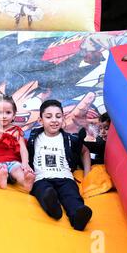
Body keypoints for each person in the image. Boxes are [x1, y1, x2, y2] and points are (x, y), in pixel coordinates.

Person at [27, 99, 93, 231]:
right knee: (44, 192)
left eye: (58, 116)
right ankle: (53, 208)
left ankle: (78, 216)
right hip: (42, 178)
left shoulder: (69, 138)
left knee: (71, 196)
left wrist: (87, 174)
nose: (54, 120)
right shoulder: (35, 137)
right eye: (48, 116)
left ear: (63, 118)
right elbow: (23, 150)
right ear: (41, 120)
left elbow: (85, 151)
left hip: (65, 178)